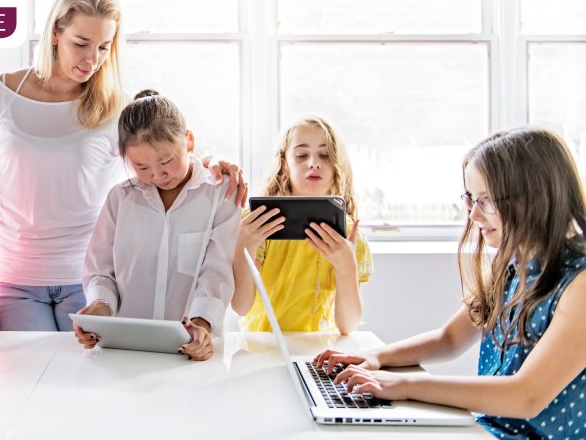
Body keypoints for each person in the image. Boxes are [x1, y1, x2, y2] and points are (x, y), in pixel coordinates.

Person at [0, 0, 246, 331]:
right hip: (16, 275)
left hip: (88, 279)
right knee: (27, 380)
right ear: (55, 34)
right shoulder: (2, 94)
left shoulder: (114, 106)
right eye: (81, 43)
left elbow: (161, 149)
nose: (93, 58)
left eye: (103, 47)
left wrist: (210, 163)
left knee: (87, 377)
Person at [314, 127, 586, 439]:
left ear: (536, 199)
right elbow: (450, 338)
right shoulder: (512, 261)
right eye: (471, 199)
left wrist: (405, 385)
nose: (473, 215)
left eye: (486, 200)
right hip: (487, 430)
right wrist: (376, 358)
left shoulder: (579, 284)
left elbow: (526, 396)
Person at [74, 90, 241, 361]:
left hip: (190, 351)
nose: (157, 174)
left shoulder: (219, 194)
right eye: (141, 167)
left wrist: (202, 324)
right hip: (125, 350)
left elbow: (217, 270)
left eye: (166, 161)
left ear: (189, 140)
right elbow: (101, 271)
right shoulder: (120, 199)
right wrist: (100, 308)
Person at [232, 116, 372, 335]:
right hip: (261, 345)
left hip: (318, 348)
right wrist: (245, 244)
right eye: (301, 155)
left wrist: (346, 267)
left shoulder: (349, 236)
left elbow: (348, 326)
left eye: (325, 155)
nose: (314, 163)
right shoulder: (258, 223)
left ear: (337, 166)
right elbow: (241, 307)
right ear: (285, 165)